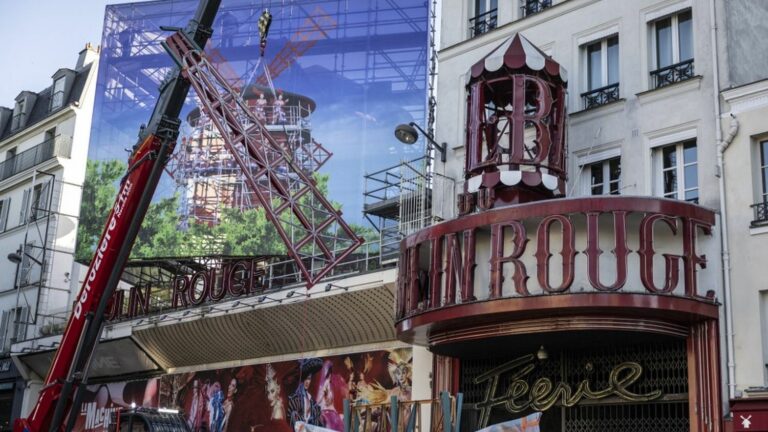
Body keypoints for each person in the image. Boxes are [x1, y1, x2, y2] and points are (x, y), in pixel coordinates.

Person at [287, 358, 324, 428]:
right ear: (302, 379)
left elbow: (318, 424)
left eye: (309, 378)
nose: (307, 382)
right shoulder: (294, 399)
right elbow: (290, 420)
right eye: (305, 378)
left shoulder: (313, 402)